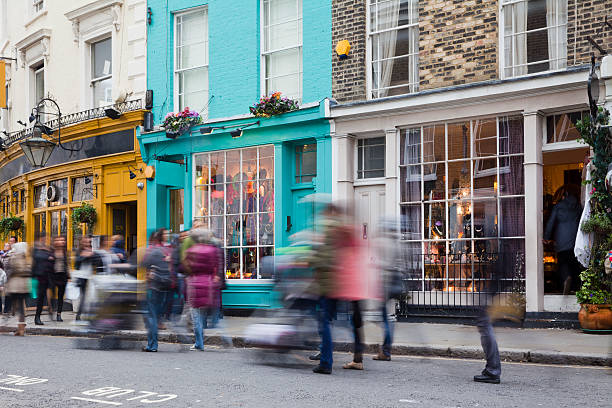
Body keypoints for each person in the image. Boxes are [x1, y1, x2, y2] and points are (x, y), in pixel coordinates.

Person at [310, 204, 370, 374]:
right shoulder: (351, 232)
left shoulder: (334, 231)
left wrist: (312, 261)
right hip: (352, 283)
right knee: (353, 321)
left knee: (326, 321)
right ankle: (357, 357)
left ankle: (326, 361)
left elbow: (327, 258)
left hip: (336, 283)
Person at [183, 229, 222, 351]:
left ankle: (199, 343)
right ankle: (225, 338)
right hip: (209, 285)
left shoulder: (191, 251)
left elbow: (186, 266)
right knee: (207, 315)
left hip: (195, 285)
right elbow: (218, 266)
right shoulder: (213, 250)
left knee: (196, 317)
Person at [544, 186, 583, 294]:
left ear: (564, 194)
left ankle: (566, 278)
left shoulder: (559, 206)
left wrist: (546, 237)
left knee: (563, 263)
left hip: (561, 240)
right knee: (574, 264)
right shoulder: (578, 206)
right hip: (575, 240)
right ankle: (575, 287)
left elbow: (551, 222)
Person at [141, 229, 172, 352]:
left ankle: (152, 345)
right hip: (166, 286)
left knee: (151, 317)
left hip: (154, 287)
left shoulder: (152, 250)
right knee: (157, 316)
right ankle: (153, 342)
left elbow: (143, 264)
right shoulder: (168, 250)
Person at [5, 242, 31, 336]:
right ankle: (21, 328)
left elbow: (11, 268)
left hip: (16, 286)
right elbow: (28, 269)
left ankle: (19, 328)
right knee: (20, 307)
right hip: (24, 285)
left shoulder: (14, 257)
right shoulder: (25, 258)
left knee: (17, 306)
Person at [73, 236, 102, 320]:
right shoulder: (79, 251)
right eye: (86, 242)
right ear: (82, 243)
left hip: (90, 277)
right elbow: (76, 263)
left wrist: (91, 255)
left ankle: (86, 315)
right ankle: (78, 316)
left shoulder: (91, 251)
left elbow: (97, 262)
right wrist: (84, 256)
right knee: (84, 296)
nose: (88, 244)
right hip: (81, 277)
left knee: (90, 297)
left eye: (89, 242)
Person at [32, 234, 54, 326]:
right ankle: (37, 317)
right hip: (40, 277)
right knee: (41, 298)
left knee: (49, 296)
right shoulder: (36, 249)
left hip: (49, 276)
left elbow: (53, 257)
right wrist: (48, 256)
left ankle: (50, 310)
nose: (46, 240)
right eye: (44, 238)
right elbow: (37, 257)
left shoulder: (48, 248)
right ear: (40, 238)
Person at [50, 236, 69, 322]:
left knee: (61, 297)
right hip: (54, 276)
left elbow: (66, 264)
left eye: (62, 240)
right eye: (59, 240)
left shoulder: (65, 252)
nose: (61, 242)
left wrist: (68, 275)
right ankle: (51, 310)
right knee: (52, 295)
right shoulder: (52, 252)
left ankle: (59, 314)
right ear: (55, 242)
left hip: (63, 276)